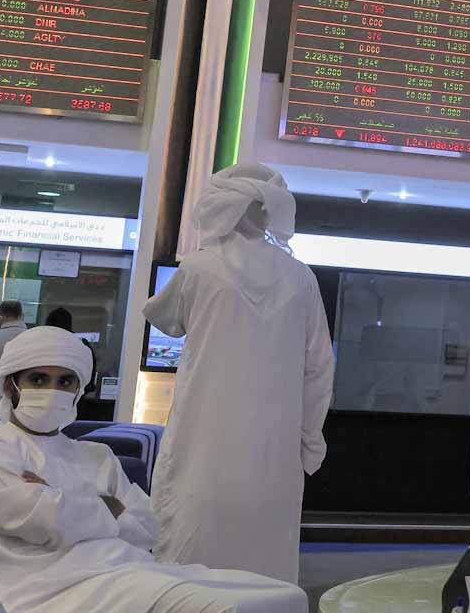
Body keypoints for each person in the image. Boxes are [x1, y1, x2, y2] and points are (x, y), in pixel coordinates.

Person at [0, 327, 307, 613]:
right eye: (38, 379)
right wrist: (109, 505)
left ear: (78, 390)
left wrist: (63, 500)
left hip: (129, 571)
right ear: (11, 386)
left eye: (65, 381)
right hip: (49, 590)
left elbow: (146, 528)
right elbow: (43, 520)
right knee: (225, 608)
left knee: (284, 596)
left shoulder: (95, 455)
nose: (52, 391)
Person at [142, 163, 335, 585]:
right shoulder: (300, 277)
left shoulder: (198, 268)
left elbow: (163, 316)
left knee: (192, 554)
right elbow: (320, 367)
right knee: (265, 559)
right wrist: (309, 439)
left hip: (201, 440)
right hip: (275, 447)